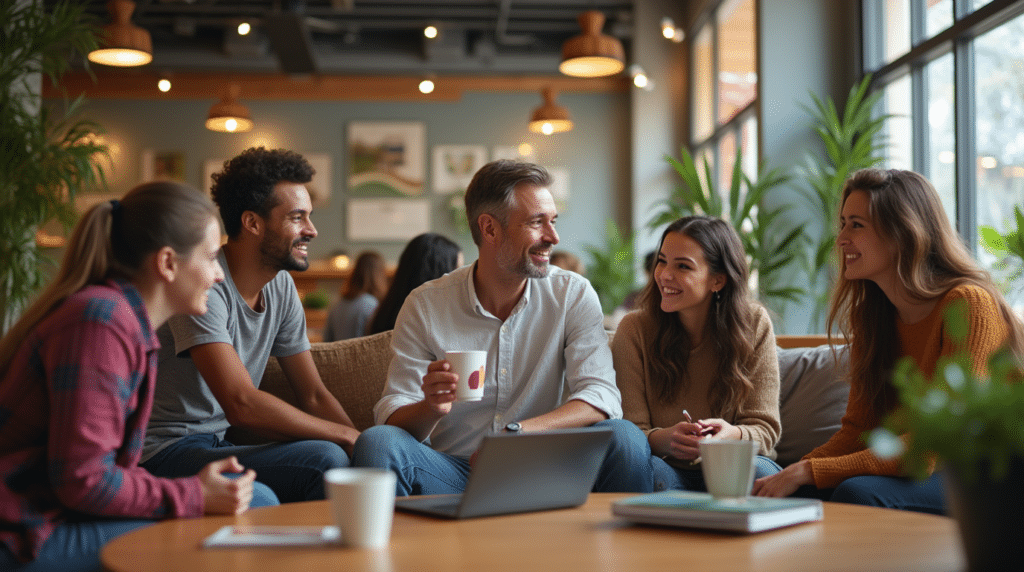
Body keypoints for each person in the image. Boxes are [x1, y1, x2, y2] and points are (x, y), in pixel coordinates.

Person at [0, 182, 273, 571]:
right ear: (167, 263)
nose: (218, 276)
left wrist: (195, 492)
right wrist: (193, 494)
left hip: (55, 513)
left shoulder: (123, 320)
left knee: (257, 498)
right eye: (212, 258)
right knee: (252, 507)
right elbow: (84, 480)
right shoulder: (100, 322)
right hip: (23, 531)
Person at [351, 160, 652, 495]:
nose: (553, 237)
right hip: (452, 472)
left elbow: (600, 395)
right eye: (537, 223)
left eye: (553, 221)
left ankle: (625, 547)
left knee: (626, 437)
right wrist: (430, 407)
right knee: (378, 443)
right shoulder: (426, 304)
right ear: (490, 229)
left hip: (541, 465)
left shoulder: (572, 294)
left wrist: (518, 432)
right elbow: (392, 413)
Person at [753, 168, 1024, 513]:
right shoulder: (872, 317)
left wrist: (810, 470)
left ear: (903, 233)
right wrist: (791, 474)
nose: (840, 239)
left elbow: (937, 445)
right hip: (927, 469)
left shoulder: (968, 304)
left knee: (856, 493)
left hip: (985, 472)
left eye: (857, 225)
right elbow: (857, 432)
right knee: (795, 493)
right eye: (842, 224)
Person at [141, 147, 360, 503]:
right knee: (325, 458)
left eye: (310, 217)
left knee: (336, 455)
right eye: (297, 217)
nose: (312, 230)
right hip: (165, 450)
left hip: (218, 444)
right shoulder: (204, 286)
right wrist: (344, 438)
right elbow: (241, 403)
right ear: (253, 223)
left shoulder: (281, 286)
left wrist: (360, 446)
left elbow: (314, 395)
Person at [613, 215, 782, 492]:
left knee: (758, 473)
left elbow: (765, 430)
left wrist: (732, 435)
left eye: (683, 266)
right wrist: (665, 439)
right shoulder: (635, 329)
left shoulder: (753, 323)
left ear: (717, 280)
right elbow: (631, 432)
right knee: (637, 456)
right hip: (664, 469)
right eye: (662, 261)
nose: (665, 274)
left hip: (733, 463)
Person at [366, 233, 462, 335]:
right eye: (457, 270)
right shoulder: (422, 325)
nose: (461, 278)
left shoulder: (384, 314)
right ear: (440, 274)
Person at [323, 250, 387, 341]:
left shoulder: (338, 304)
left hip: (338, 354)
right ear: (379, 274)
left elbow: (326, 340)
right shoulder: (373, 305)